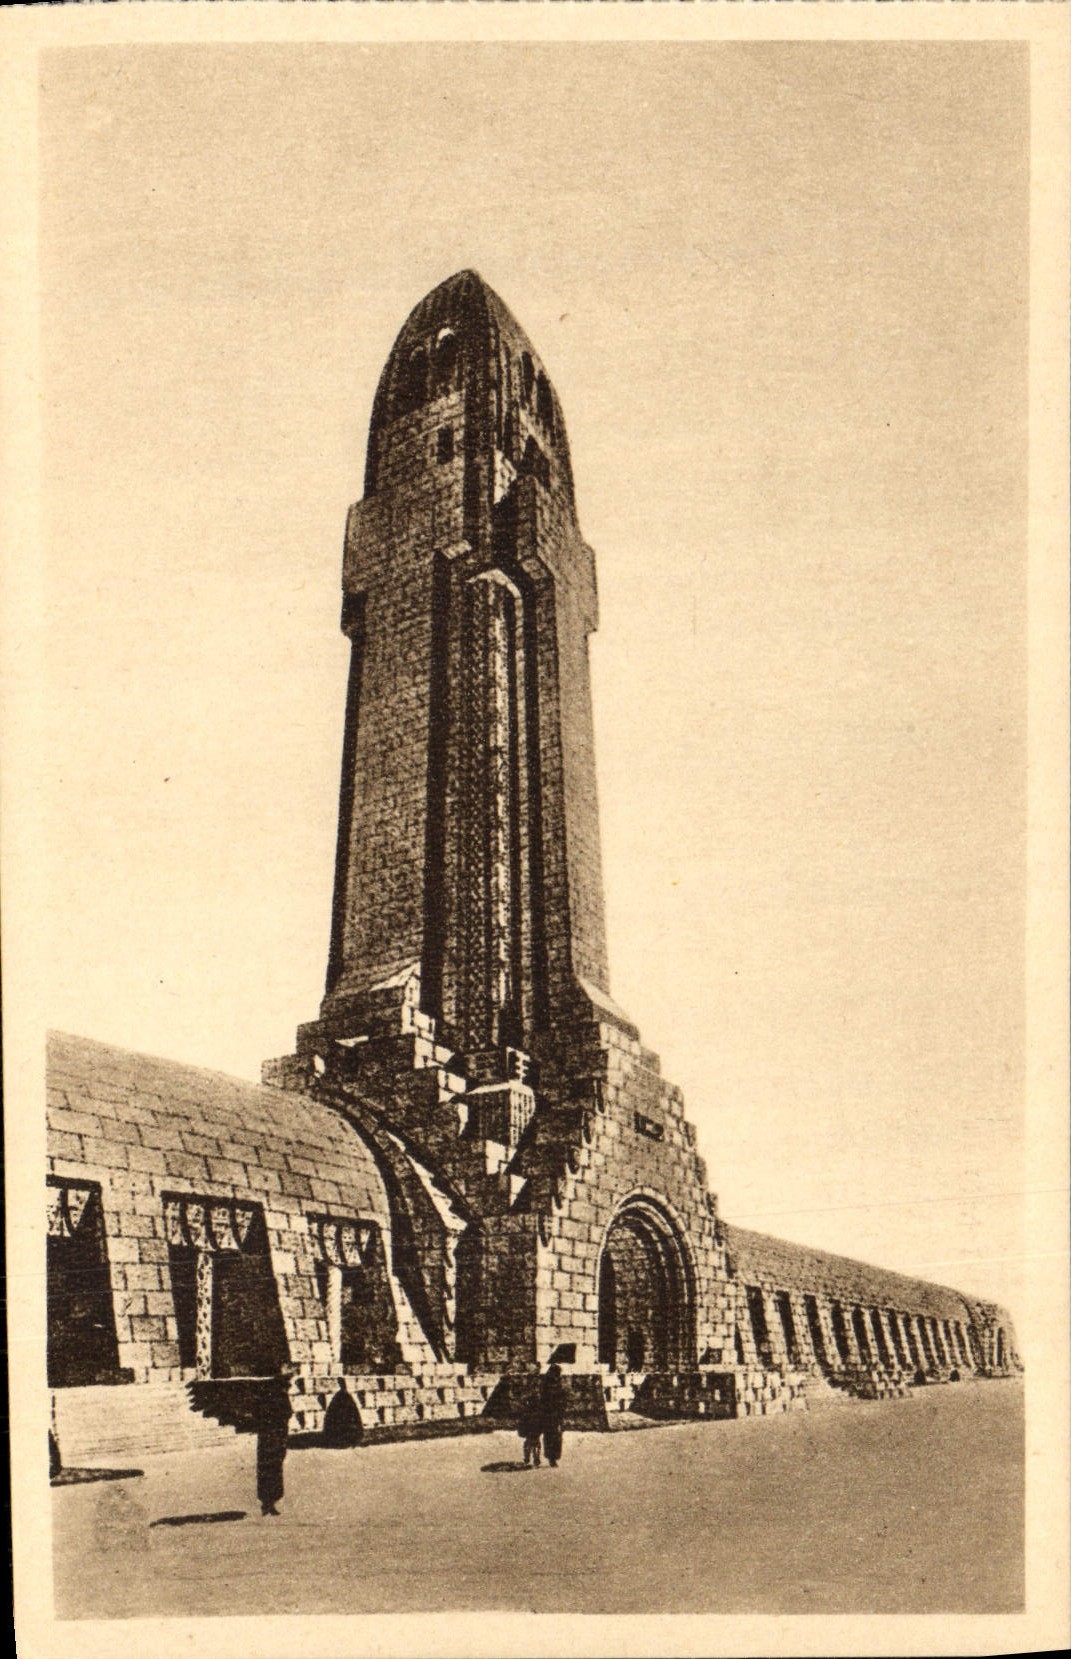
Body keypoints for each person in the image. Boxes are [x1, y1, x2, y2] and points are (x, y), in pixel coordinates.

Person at [255, 1365, 293, 1516]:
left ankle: (268, 1503)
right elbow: (287, 1412)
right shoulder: (277, 1396)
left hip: (271, 1436)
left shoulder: (268, 1395)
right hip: (273, 1436)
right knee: (272, 1468)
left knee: (270, 1469)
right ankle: (268, 1503)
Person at [538, 1361, 567, 1470]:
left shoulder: (547, 1384)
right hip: (552, 1415)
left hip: (550, 1415)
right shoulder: (553, 1385)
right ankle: (552, 1458)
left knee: (550, 1437)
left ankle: (551, 1457)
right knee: (554, 1437)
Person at [517, 1388, 543, 1468]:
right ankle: (535, 1459)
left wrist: (521, 1430)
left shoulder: (526, 1411)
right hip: (535, 1429)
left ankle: (528, 1458)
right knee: (535, 1444)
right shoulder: (538, 1411)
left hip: (530, 1429)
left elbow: (522, 1421)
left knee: (528, 1444)